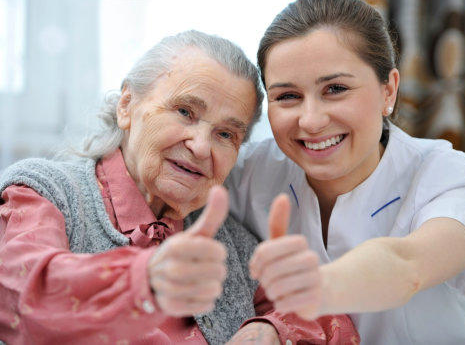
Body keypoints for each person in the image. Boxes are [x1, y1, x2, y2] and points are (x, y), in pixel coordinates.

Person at [0, 30, 359, 345]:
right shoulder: (43, 193)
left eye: (225, 134)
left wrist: (272, 330)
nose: (201, 146)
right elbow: (21, 297)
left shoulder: (230, 242)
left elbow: (331, 321)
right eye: (185, 111)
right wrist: (147, 280)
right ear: (127, 105)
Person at [225, 0, 465, 344]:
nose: (311, 120)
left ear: (389, 90)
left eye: (335, 89)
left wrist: (299, 305)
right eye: (287, 96)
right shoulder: (248, 172)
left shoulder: (446, 175)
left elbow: (408, 266)